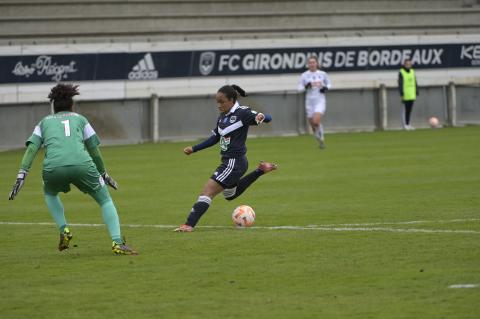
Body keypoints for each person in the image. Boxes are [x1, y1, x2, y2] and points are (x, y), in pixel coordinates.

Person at [8, 83, 137, 255]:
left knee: (50, 193)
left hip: (53, 168)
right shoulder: (80, 119)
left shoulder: (43, 122)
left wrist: (21, 174)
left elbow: (32, 149)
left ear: (53, 106)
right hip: (82, 165)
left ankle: (64, 229)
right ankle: (117, 242)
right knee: (105, 200)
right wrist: (103, 173)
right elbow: (94, 150)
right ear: (72, 105)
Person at [175, 84, 278, 232]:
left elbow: (268, 117)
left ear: (232, 100)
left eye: (222, 101)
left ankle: (188, 225)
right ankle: (260, 170)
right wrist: (194, 149)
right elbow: (214, 138)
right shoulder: (222, 117)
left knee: (207, 192)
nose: (219, 105)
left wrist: (261, 116)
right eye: (217, 102)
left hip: (233, 162)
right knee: (230, 195)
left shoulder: (243, 113)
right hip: (235, 162)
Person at [297, 56, 332, 149]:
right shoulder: (304, 75)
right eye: (310, 63)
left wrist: (325, 88)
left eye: (313, 62)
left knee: (316, 121)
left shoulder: (323, 74)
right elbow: (299, 88)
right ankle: (320, 141)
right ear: (308, 64)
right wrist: (306, 86)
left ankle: (321, 136)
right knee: (312, 125)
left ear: (317, 63)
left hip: (320, 100)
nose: (312, 64)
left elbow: (329, 84)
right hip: (309, 102)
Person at [398, 59, 419, 130]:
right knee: (405, 110)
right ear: (404, 64)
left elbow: (415, 82)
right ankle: (405, 125)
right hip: (405, 94)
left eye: (410, 64)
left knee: (409, 110)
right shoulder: (401, 72)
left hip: (412, 94)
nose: (408, 65)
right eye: (407, 64)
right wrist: (401, 93)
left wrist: (416, 91)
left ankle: (408, 124)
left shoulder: (412, 72)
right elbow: (400, 84)